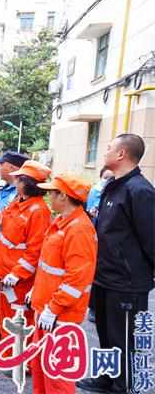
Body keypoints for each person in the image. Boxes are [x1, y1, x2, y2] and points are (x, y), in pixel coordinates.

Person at [76, 134, 154, 394]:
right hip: (105, 276)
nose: (104, 152)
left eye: (108, 148)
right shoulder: (114, 185)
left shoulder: (140, 190)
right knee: (106, 334)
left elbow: (151, 238)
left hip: (127, 281)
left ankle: (123, 386)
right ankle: (106, 379)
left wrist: (145, 278)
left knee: (124, 338)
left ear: (121, 154)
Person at [28, 171, 97, 394]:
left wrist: (53, 308)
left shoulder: (79, 229)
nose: (48, 197)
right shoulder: (62, 222)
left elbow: (77, 279)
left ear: (64, 196)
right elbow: (50, 267)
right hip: (46, 308)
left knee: (57, 375)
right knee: (40, 366)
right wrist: (35, 291)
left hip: (60, 315)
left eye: (52, 193)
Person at [0, 160, 51, 360]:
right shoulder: (20, 201)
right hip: (6, 271)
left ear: (28, 183)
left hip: (18, 278)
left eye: (19, 178)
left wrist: (17, 274)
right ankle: (7, 352)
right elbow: (6, 220)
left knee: (20, 318)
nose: (15, 180)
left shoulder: (38, 211)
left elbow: (35, 250)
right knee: (6, 315)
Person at [0, 150, 29, 340]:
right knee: (4, 299)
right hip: (4, 254)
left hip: (16, 265)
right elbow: (7, 218)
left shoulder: (29, 203)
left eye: (1, 165)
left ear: (11, 168)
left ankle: (10, 340)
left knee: (15, 304)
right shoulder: (13, 193)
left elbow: (32, 246)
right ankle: (3, 330)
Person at [84, 167, 113, 324]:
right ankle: (93, 307)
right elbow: (88, 210)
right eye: (106, 177)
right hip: (94, 236)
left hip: (105, 241)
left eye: (111, 177)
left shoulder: (115, 192)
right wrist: (93, 213)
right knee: (95, 274)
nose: (108, 179)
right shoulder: (95, 192)